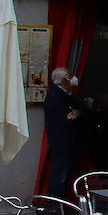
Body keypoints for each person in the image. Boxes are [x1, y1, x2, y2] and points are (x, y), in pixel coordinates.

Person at [44, 68, 80, 197]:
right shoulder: (56, 96)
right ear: (65, 80)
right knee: (60, 175)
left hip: (66, 142)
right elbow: (67, 118)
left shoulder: (66, 94)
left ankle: (60, 206)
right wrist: (74, 115)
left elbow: (77, 109)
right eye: (70, 76)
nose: (73, 79)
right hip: (62, 141)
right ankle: (55, 206)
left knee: (64, 174)